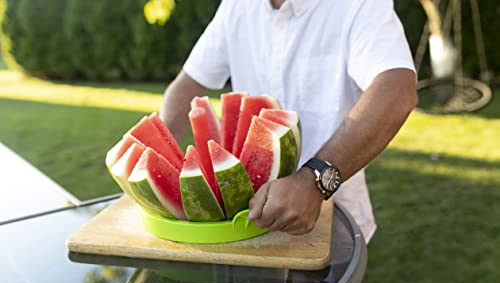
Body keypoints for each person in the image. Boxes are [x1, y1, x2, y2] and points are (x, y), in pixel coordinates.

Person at [160, 0, 417, 243]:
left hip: (330, 217)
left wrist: (314, 181)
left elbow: (397, 90)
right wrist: (158, 159)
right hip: (244, 217)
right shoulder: (237, 6)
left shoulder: (358, 4)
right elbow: (189, 83)